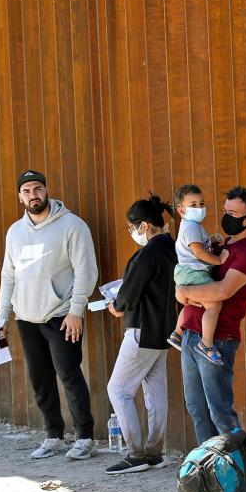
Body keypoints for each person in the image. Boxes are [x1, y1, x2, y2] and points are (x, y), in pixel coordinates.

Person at [0, 170, 99, 460]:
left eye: (37, 188)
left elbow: (86, 271)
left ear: (47, 190)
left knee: (68, 374)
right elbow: (8, 275)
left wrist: (76, 311)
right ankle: (54, 435)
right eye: (27, 191)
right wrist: (3, 315)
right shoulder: (15, 232)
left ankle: (85, 437)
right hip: (26, 317)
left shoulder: (72, 226)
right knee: (40, 379)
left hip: (62, 315)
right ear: (20, 197)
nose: (33, 195)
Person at [176, 186, 246, 444]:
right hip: (192, 333)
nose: (226, 217)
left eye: (233, 213)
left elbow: (223, 290)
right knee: (197, 410)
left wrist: (184, 291)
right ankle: (209, 471)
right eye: (225, 211)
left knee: (221, 414)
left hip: (218, 340)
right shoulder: (224, 243)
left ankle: (238, 473)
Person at [104, 195, 178, 474]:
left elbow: (129, 292)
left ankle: (136, 454)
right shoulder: (172, 248)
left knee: (119, 389)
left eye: (132, 227)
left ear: (144, 226)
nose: (132, 232)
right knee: (154, 390)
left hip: (142, 329)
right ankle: (154, 452)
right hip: (164, 331)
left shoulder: (148, 253)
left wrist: (117, 305)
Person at [167, 184, 229, 365]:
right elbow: (198, 252)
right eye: (193, 205)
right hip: (193, 271)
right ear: (181, 210)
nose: (199, 208)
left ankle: (177, 333)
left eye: (201, 203)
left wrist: (210, 239)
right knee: (214, 304)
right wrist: (219, 260)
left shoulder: (191, 226)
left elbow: (197, 245)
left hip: (185, 273)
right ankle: (207, 344)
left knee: (193, 300)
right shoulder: (192, 227)